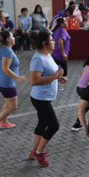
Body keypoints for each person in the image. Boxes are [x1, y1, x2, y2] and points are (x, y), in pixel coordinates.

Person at [28, 30, 68, 167]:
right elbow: (33, 81)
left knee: (42, 123)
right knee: (54, 125)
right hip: (40, 98)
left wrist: (59, 77)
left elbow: (50, 73)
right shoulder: (38, 59)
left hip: (44, 97)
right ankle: (39, 152)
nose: (54, 42)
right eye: (51, 40)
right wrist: (54, 76)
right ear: (45, 44)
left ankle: (34, 151)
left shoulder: (47, 55)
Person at [0, 30, 27, 135]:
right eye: (12, 37)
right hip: (7, 84)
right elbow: (5, 68)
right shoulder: (8, 52)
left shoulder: (0, 50)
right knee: (13, 106)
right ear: (8, 40)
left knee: (7, 103)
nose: (14, 38)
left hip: (0, 82)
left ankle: (4, 122)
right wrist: (17, 77)